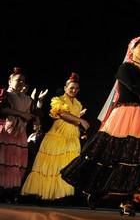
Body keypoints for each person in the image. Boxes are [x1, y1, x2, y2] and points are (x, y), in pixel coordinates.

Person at [61, 37, 140, 216]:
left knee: (138, 158)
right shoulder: (125, 68)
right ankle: (98, 191)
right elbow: (134, 88)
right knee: (113, 155)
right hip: (126, 115)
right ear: (131, 49)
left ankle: (127, 201)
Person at [21, 73, 89, 201]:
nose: (74, 90)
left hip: (71, 138)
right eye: (71, 88)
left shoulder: (78, 104)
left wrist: (79, 119)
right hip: (57, 137)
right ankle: (43, 195)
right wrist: (81, 120)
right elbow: (62, 114)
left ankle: (60, 195)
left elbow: (73, 118)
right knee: (51, 167)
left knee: (67, 167)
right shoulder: (58, 100)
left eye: (76, 88)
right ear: (65, 88)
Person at [0, 67, 36, 202]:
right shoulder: (5, 94)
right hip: (5, 130)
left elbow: (33, 113)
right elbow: (2, 108)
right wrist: (21, 114)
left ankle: (10, 191)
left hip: (19, 133)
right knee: (3, 160)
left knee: (15, 163)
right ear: (10, 81)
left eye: (23, 80)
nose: (20, 82)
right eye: (17, 80)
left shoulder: (26, 98)